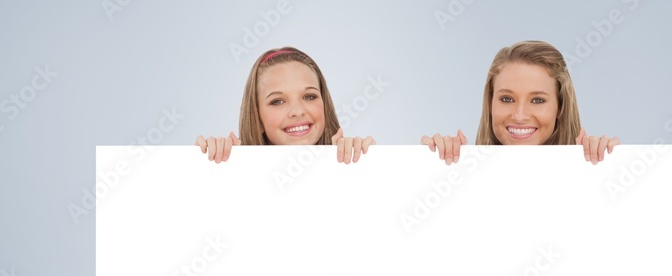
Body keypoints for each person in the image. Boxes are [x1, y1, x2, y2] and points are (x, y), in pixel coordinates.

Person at [421, 40, 619, 165]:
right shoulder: (462, 175)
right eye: (507, 99)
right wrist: (428, 161)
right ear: (490, 104)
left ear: (560, 107)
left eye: (537, 100)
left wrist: (611, 161)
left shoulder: (590, 173)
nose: (519, 115)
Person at [196, 47, 375, 164]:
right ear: (257, 118)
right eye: (278, 101)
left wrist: (371, 161)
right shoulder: (234, 169)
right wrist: (208, 160)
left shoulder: (351, 163)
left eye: (309, 96)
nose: (297, 111)